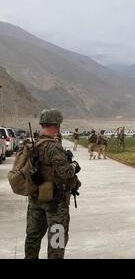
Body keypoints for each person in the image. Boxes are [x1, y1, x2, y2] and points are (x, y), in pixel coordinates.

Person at [25, 109, 81, 259]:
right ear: (56, 125)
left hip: (35, 198)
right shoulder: (53, 146)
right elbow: (65, 173)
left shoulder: (33, 144)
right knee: (57, 238)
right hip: (55, 202)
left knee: (33, 236)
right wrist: (74, 166)